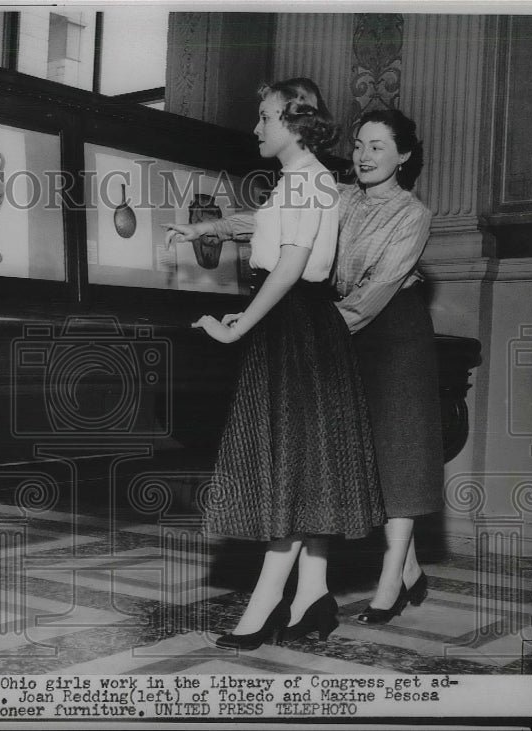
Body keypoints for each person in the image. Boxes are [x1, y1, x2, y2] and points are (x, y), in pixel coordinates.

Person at [164, 78, 384, 650]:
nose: (256, 128)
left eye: (264, 118)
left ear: (292, 122)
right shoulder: (300, 180)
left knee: (286, 468)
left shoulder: (309, 182)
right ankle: (312, 593)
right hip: (299, 325)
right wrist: (204, 227)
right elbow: (262, 226)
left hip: (293, 321)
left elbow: (289, 268)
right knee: (304, 464)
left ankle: (262, 610)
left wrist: (239, 324)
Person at [333, 109, 442, 624]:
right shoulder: (340, 197)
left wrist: (327, 328)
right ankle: (413, 570)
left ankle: (390, 580)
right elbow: (282, 227)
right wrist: (219, 225)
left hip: (395, 330)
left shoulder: (412, 213)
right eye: (359, 144)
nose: (363, 154)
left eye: (378, 145)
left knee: (397, 453)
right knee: (365, 454)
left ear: (403, 156)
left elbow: (379, 287)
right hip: (346, 324)